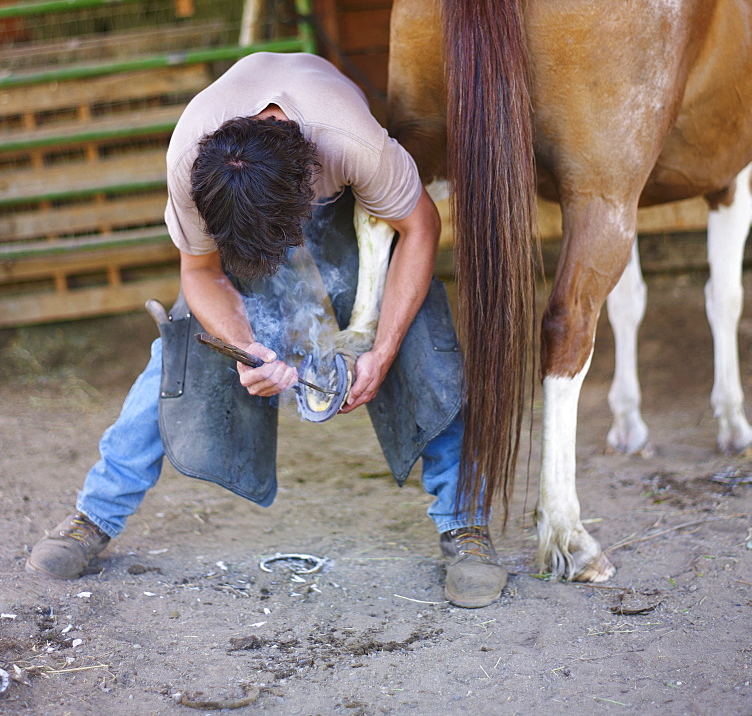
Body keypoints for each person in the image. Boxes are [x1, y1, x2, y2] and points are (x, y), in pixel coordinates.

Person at [26, 51, 507, 608]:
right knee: (178, 353)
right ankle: (93, 516)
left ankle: (465, 526)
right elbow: (201, 271)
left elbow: (420, 226)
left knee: (425, 340)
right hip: (243, 216)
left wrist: (383, 347)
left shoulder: (352, 145)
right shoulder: (191, 163)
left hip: (350, 206)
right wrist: (245, 347)